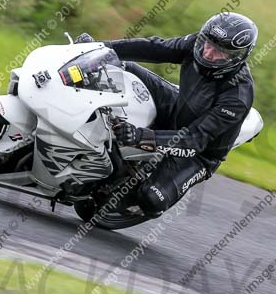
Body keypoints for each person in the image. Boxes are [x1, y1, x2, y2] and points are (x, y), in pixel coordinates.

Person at [78, 12, 257, 218]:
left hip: (198, 152)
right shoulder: (196, 45)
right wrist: (98, 48)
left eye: (220, 51)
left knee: (153, 199)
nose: (208, 53)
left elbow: (195, 139)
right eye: (207, 43)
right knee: (123, 66)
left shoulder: (237, 96)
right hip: (177, 105)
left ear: (237, 57)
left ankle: (133, 201)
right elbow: (155, 47)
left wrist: (140, 136)